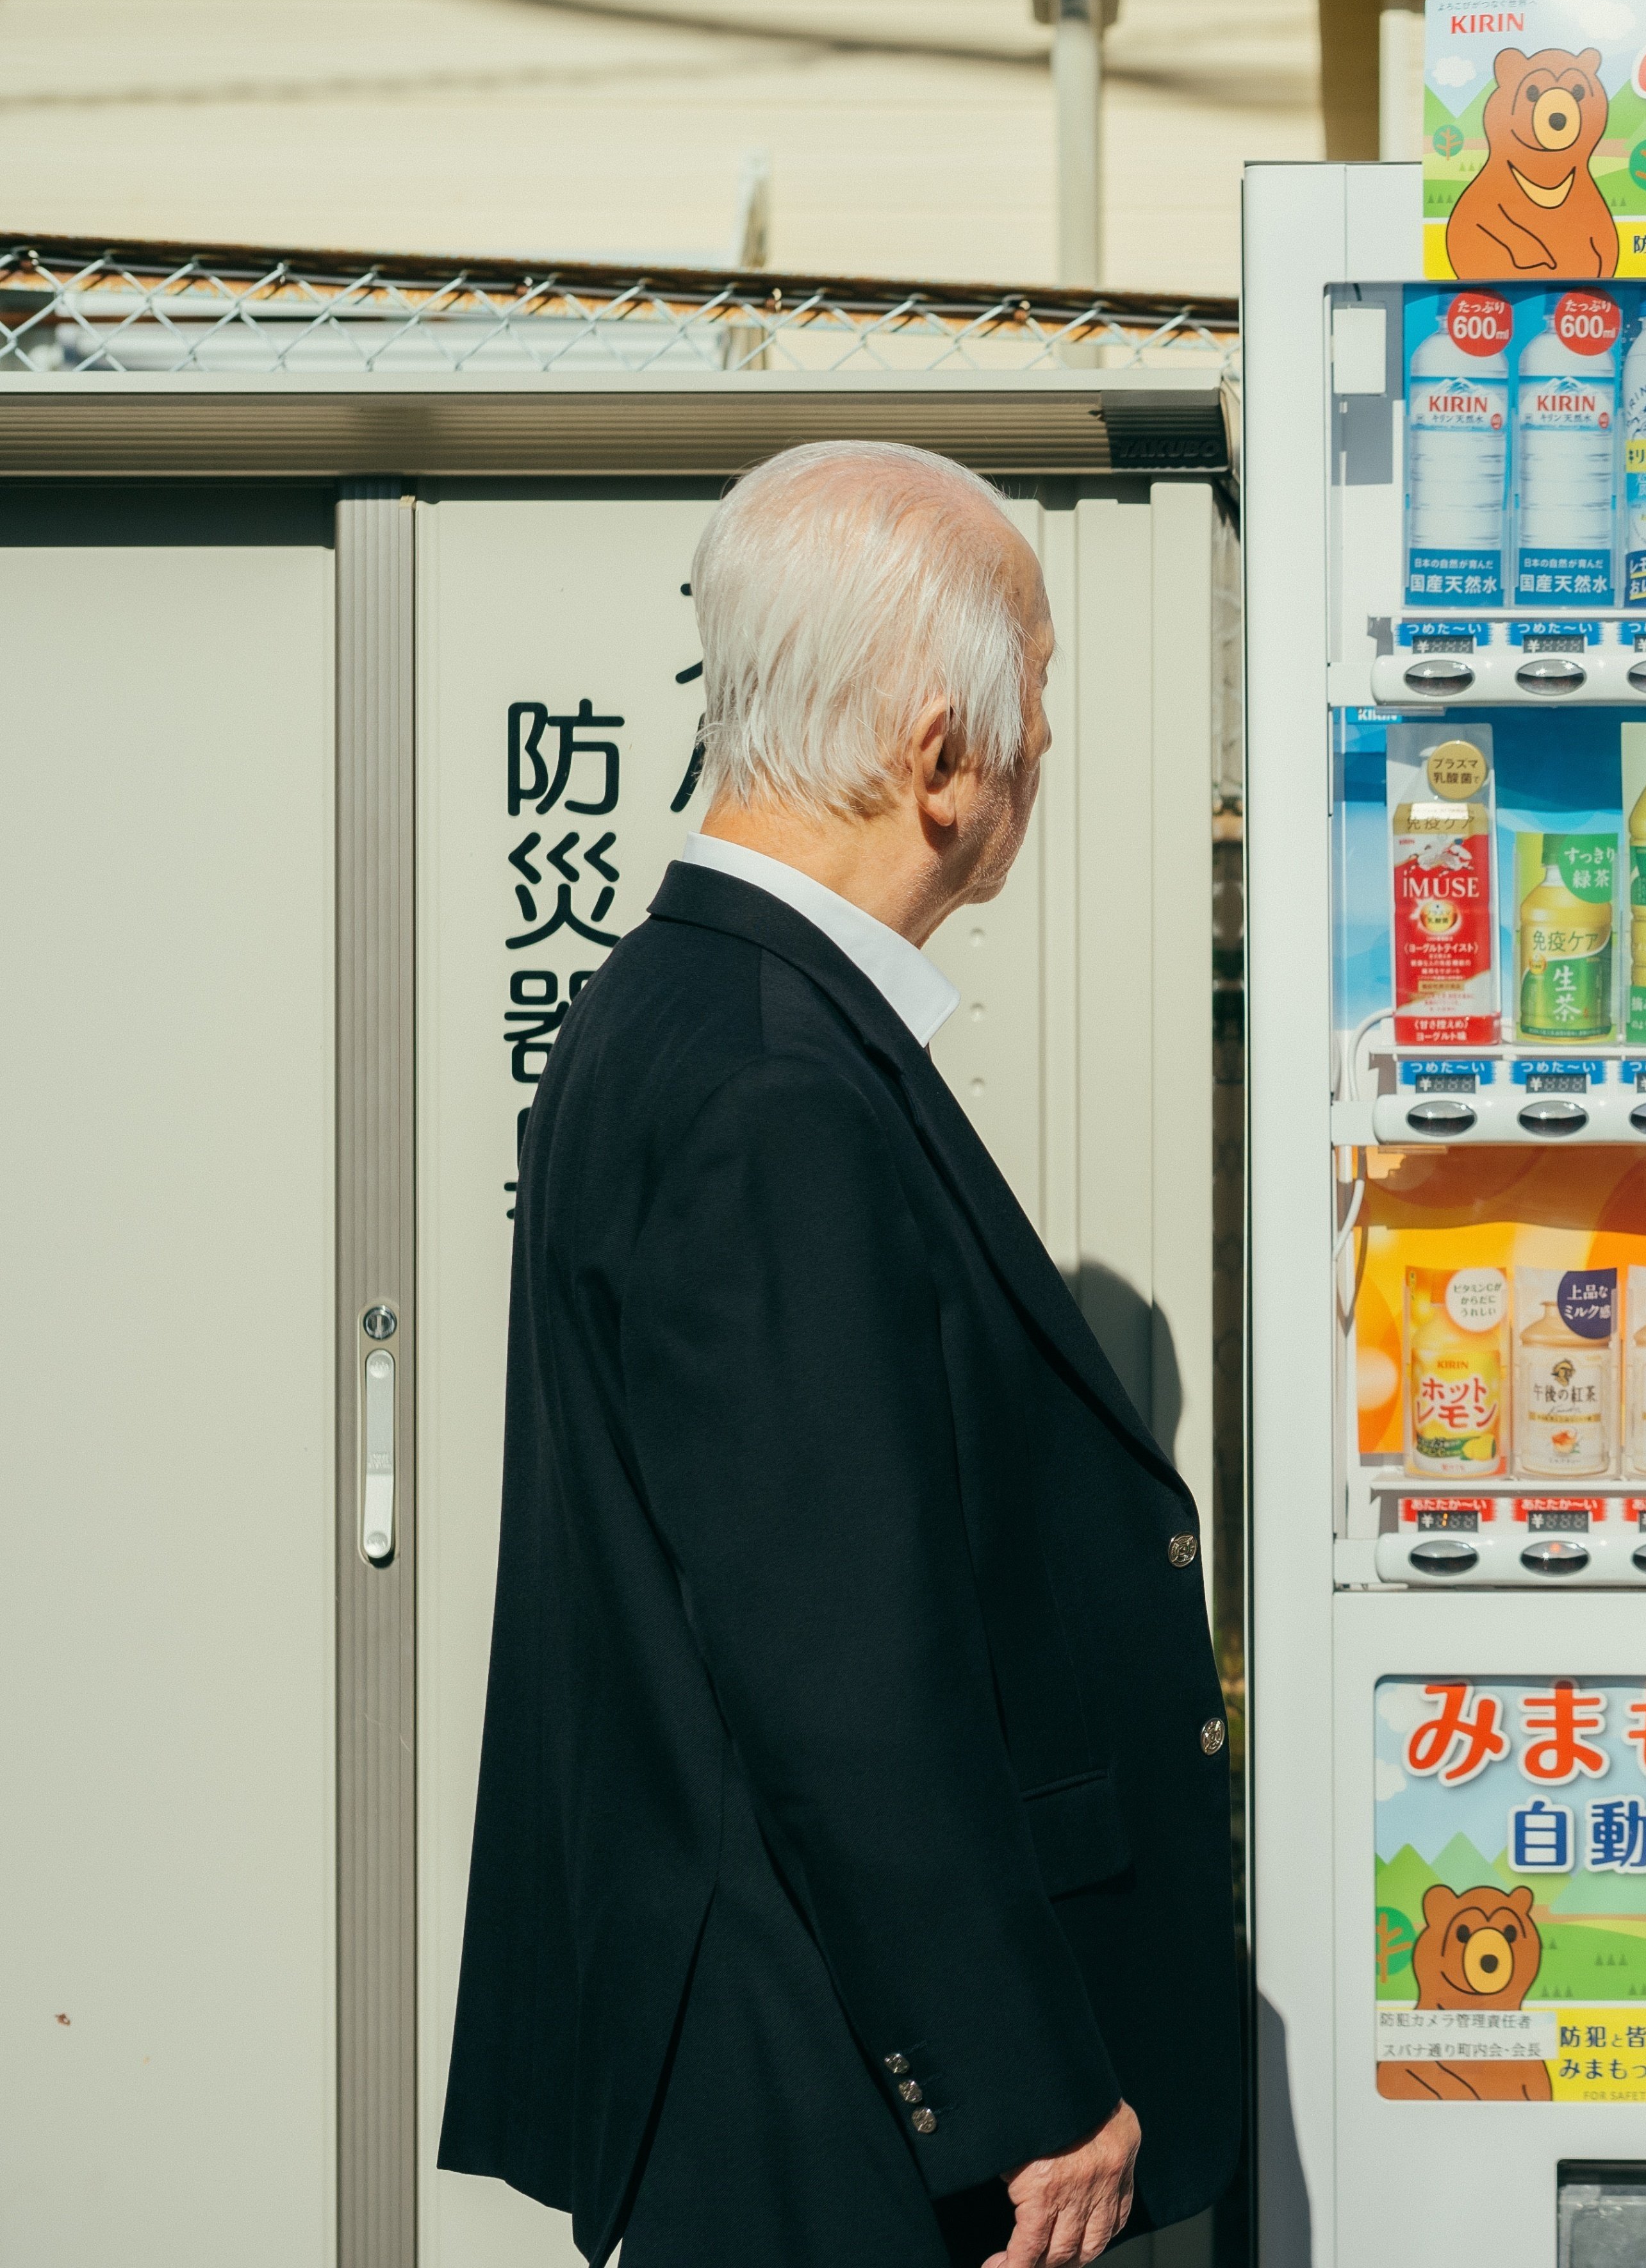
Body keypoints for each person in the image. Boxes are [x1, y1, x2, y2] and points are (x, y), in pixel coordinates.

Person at [438, 443, 1240, 2268]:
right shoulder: (775, 1083)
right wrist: (1027, 2082)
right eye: (1038, 696)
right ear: (941, 751)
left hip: (766, 2029)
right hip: (821, 2079)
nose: (1048, 744)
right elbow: (842, 1664)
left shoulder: (671, 1007)